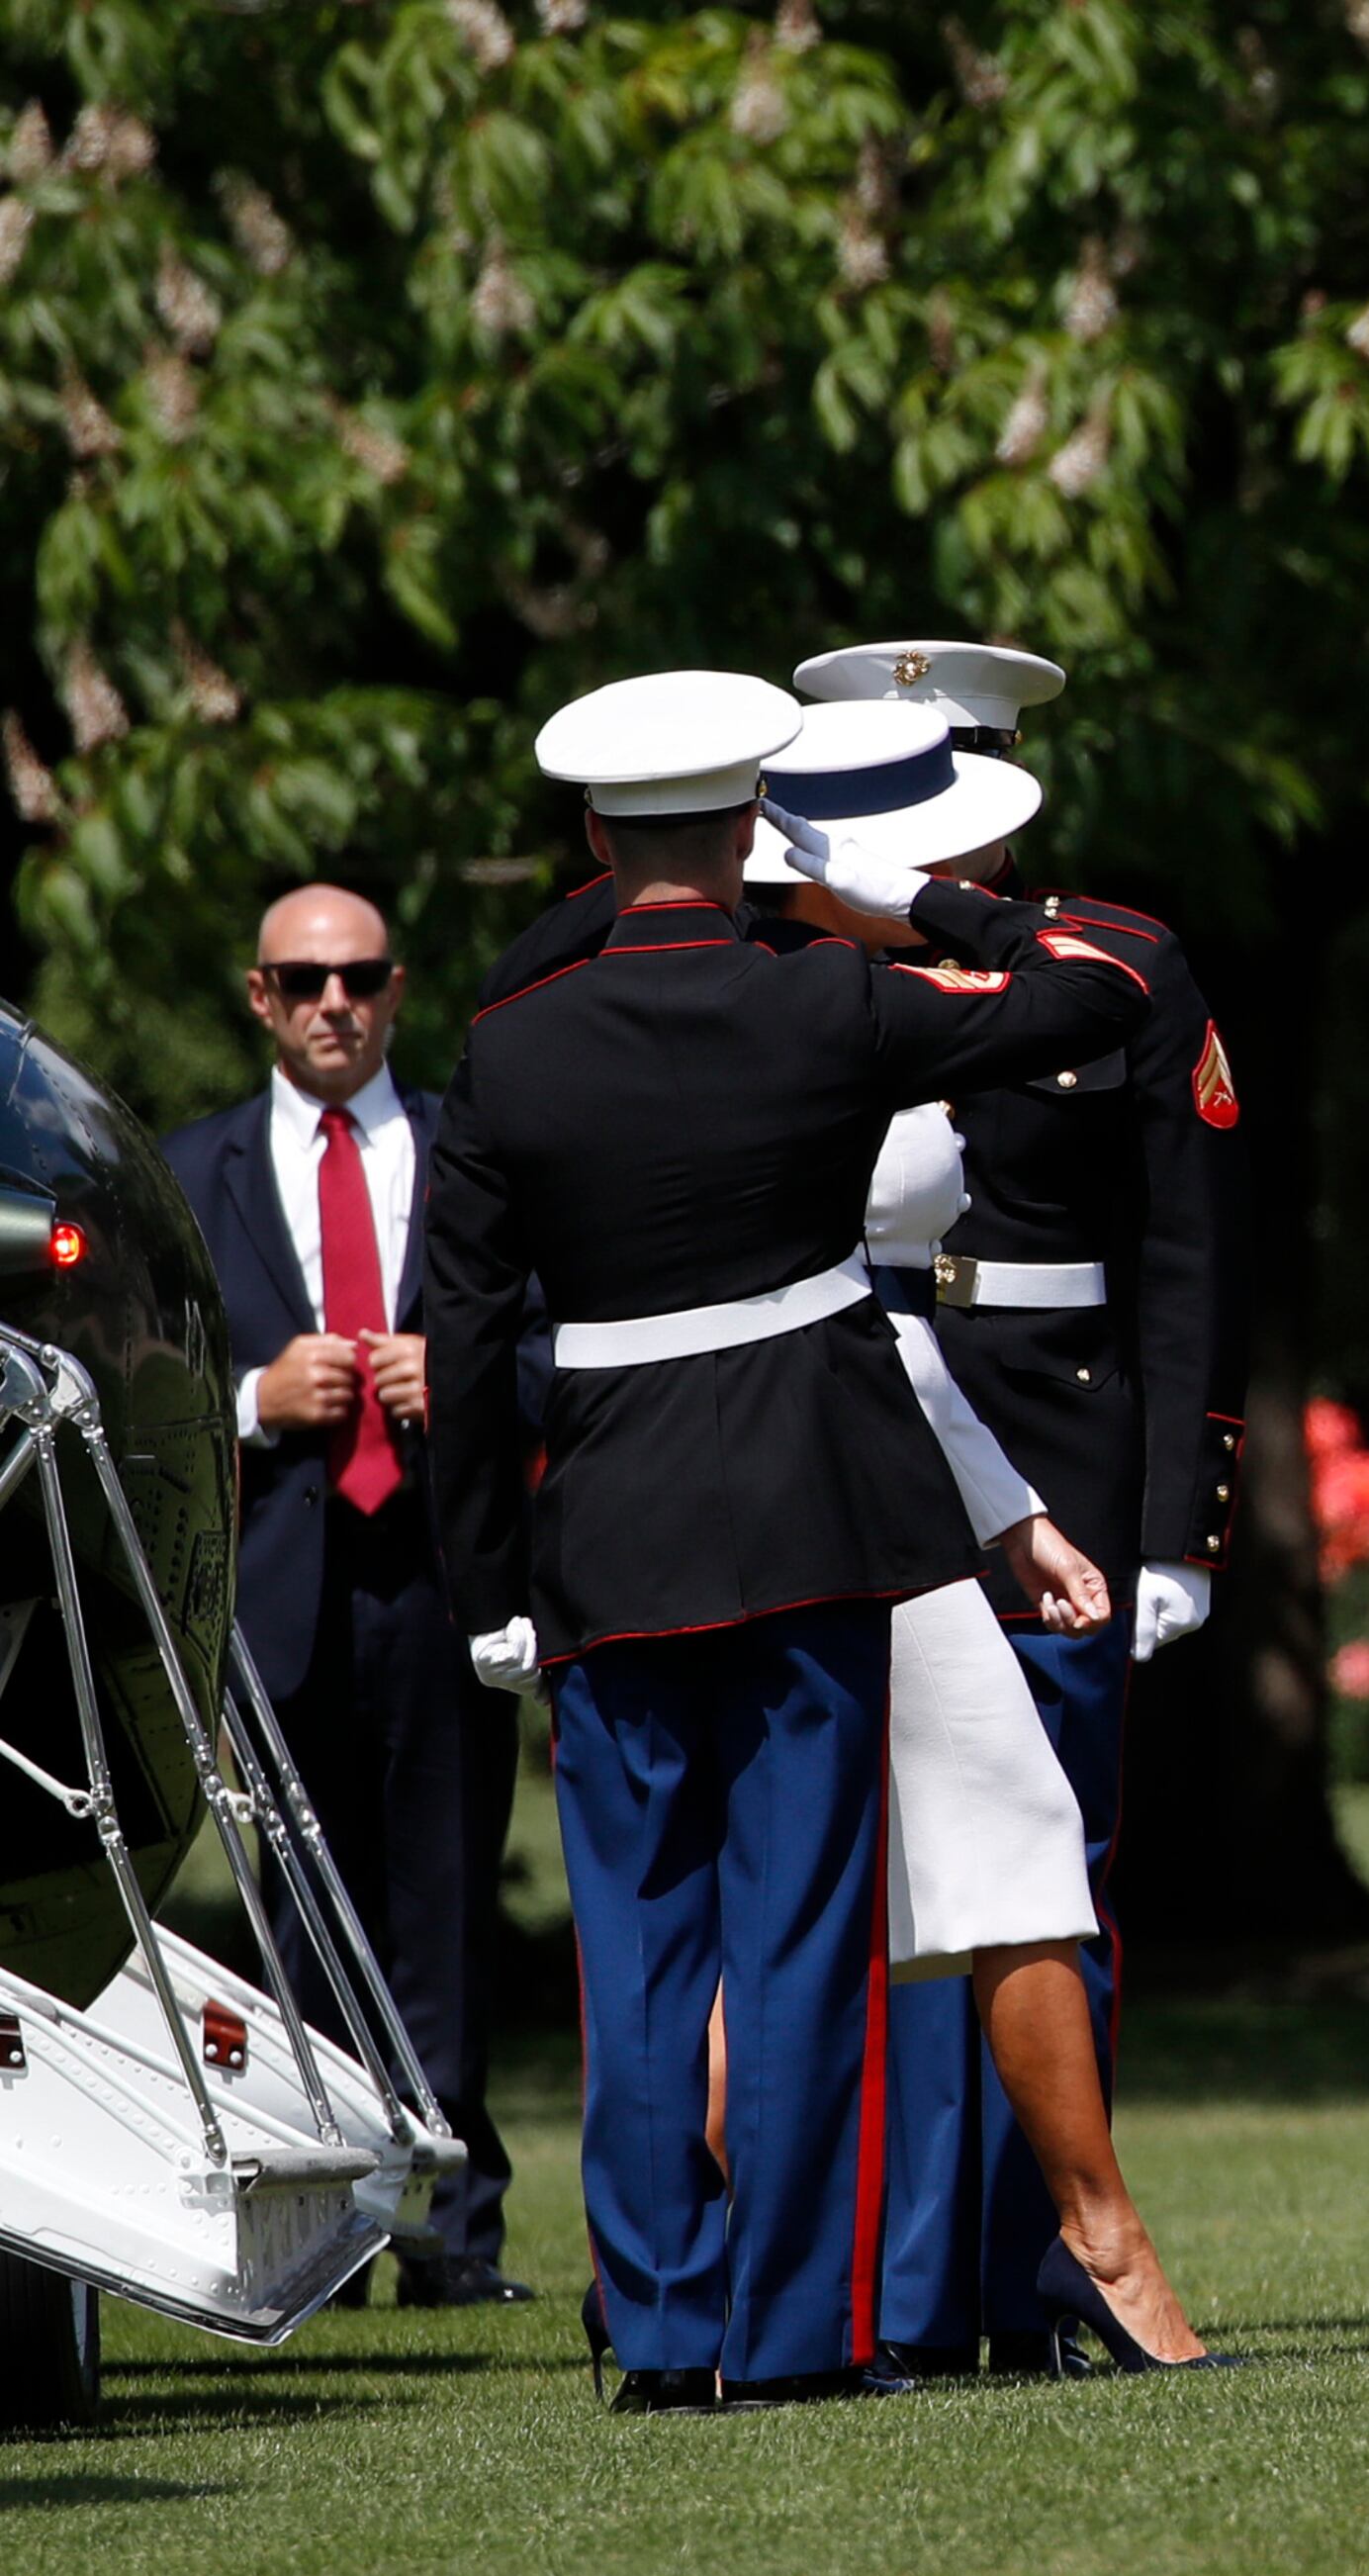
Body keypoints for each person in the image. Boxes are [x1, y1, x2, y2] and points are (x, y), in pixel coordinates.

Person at [422, 670, 1151, 2414]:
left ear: (597, 842)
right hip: (819, 1519)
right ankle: (800, 2334)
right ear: (755, 830)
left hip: (608, 1526)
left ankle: (665, 2335)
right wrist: (919, 892)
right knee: (804, 1936)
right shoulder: (829, 999)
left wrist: (485, 1581)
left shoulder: (510, 1037)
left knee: (642, 1946)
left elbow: (458, 1340)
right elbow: (1115, 984)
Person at [785, 640, 1245, 2373]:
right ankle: (879, 2290)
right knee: (867, 1876)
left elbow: (1195, 1242)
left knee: (1044, 1876)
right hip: (850, 1425)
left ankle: (1027, 2268)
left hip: (1055, 1435)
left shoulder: (1108, 959)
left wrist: (1177, 1526)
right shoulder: (797, 960)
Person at [164, 886, 544, 2308]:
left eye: (363, 976)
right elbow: (120, 1369)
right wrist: (257, 1399)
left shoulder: (471, 1151)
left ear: (399, 990)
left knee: (446, 1903)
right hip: (280, 1590)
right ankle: (329, 2224)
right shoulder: (194, 1170)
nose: (337, 1002)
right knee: (297, 1923)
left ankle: (453, 2226)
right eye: (305, 980)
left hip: (444, 1574)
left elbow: (559, 1333)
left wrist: (467, 1380)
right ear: (259, 997)